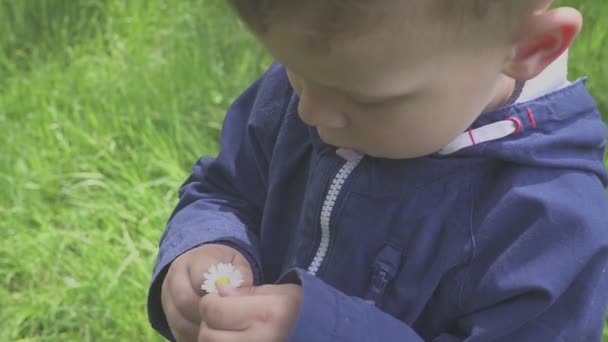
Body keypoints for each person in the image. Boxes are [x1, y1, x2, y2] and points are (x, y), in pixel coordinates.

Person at [147, 0, 608, 340]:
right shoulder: (335, 77)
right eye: (294, 68)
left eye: (369, 99)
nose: (311, 112)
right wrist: (205, 242)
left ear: (531, 47)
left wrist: (324, 331)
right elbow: (227, 188)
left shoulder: (550, 226)